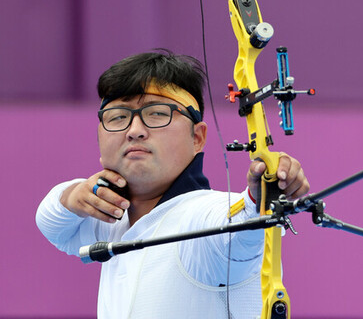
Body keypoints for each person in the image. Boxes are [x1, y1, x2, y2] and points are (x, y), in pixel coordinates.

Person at [36, 50, 310, 318]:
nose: (134, 131)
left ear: (197, 138)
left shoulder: (201, 216)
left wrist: (258, 199)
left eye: (156, 113)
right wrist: (73, 195)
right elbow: (52, 224)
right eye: (118, 117)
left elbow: (236, 232)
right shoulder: (111, 218)